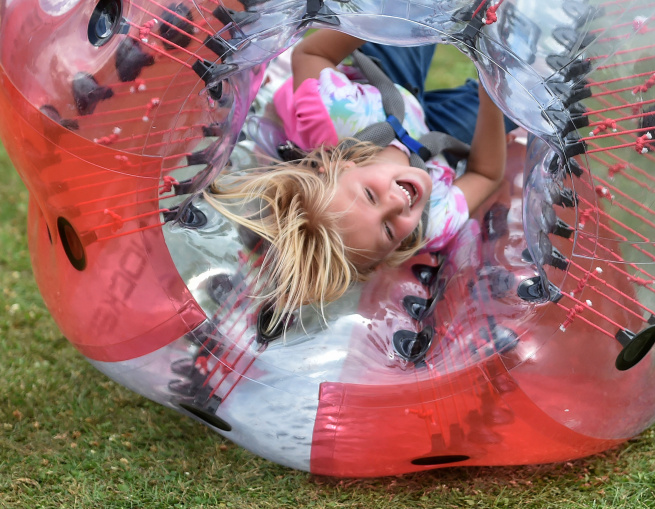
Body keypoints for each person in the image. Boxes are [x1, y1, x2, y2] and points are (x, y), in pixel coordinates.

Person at [206, 29, 508, 324]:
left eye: (370, 196)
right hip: (432, 134)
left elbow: (310, 52)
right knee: (510, 97)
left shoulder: (335, 110)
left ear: (342, 167)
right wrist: (492, 92)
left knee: (419, 10)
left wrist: (395, 16)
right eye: (389, 230)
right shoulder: (431, 224)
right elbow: (486, 173)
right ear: (393, 252)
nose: (395, 204)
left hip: (381, 86)